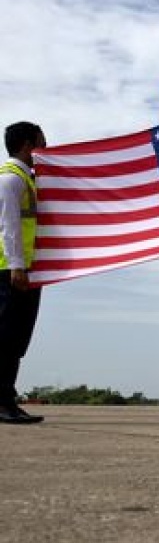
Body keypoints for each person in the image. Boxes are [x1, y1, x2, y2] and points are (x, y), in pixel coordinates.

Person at [0, 123, 46, 425]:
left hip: (23, 268)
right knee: (6, 337)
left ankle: (7, 399)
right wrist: (17, 265)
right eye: (42, 145)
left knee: (16, 340)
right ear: (28, 146)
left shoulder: (28, 179)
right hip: (9, 270)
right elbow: (9, 225)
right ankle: (2, 402)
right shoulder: (10, 179)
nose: (45, 152)